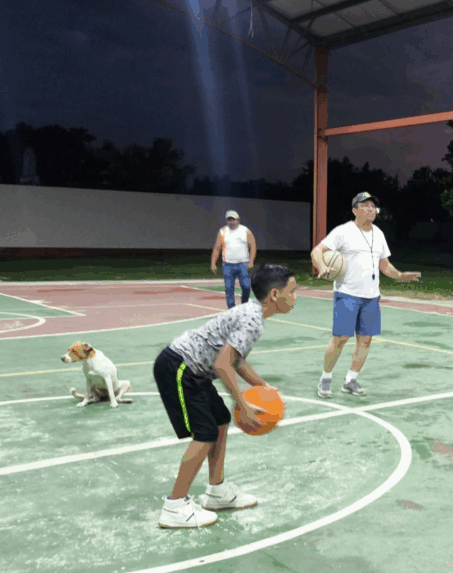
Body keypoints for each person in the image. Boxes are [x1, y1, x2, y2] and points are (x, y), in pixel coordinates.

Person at [154, 263, 297, 528]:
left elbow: (236, 360)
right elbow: (223, 364)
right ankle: (174, 506)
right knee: (205, 434)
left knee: (220, 419)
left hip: (192, 370)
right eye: (293, 291)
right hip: (179, 366)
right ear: (275, 295)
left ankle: (217, 491)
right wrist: (243, 403)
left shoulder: (252, 313)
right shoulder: (252, 320)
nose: (295, 296)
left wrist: (264, 388)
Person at [311, 192, 421, 400]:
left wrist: (400, 276)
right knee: (341, 338)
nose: (371, 209)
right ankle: (326, 377)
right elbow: (317, 251)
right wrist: (322, 265)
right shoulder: (343, 231)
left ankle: (350, 380)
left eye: (373, 206)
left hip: (371, 296)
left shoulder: (378, 234)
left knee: (366, 340)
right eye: (365, 205)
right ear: (355, 210)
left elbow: (384, 265)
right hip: (347, 293)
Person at [211, 210, 257, 309]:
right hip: (227, 265)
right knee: (229, 288)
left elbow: (253, 246)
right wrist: (213, 263)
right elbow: (217, 248)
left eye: (233, 219)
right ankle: (231, 309)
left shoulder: (245, 231)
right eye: (229, 220)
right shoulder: (223, 231)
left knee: (246, 286)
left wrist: (251, 261)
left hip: (243, 264)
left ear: (238, 220)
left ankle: (244, 305)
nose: (231, 222)